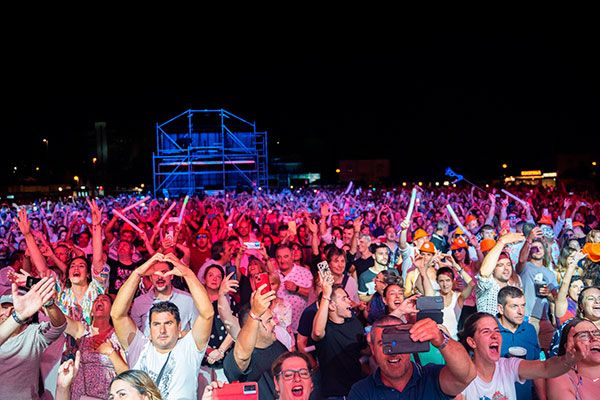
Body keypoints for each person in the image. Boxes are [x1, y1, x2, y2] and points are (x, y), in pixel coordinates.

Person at [111, 252, 214, 399]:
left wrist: (188, 274)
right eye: (156, 324)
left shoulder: (189, 348)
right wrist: (138, 273)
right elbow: (117, 315)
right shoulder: (140, 347)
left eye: (168, 323)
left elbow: (207, 314)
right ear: (149, 327)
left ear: (179, 327)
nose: (162, 330)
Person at [456, 312, 588, 400]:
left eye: (497, 330)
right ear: (472, 342)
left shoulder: (507, 366)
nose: (495, 335)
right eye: (486, 331)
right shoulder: (461, 376)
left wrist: (568, 359)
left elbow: (546, 368)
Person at [348, 313, 477, 399]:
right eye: (384, 344)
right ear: (373, 349)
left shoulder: (432, 377)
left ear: (411, 345)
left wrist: (441, 339)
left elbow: (467, 375)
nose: (393, 352)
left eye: (399, 342)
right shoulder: (361, 391)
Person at [0, 277, 67, 400]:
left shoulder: (33, 334)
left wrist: (49, 303)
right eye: (4, 307)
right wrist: (17, 316)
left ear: (29, 316)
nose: (8, 313)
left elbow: (59, 326)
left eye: (13, 309)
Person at [223, 284, 286, 400]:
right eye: (269, 320)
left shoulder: (278, 346)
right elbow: (242, 355)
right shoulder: (236, 359)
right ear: (254, 326)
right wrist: (255, 314)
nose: (274, 323)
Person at [64, 293, 129, 400]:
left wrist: (110, 352)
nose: (99, 301)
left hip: (105, 396)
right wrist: (49, 304)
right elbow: (62, 321)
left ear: (112, 310)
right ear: (91, 312)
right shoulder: (83, 331)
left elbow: (126, 373)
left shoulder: (117, 336)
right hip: (80, 396)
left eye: (104, 300)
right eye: (96, 300)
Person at [312, 274, 366, 399]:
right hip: (334, 394)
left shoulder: (354, 322)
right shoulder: (325, 327)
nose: (349, 301)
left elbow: (364, 350)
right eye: (344, 298)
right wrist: (326, 295)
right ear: (331, 305)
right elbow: (318, 332)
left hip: (357, 390)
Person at [496, 286, 544, 400]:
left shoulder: (529, 330)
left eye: (523, 305)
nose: (521, 312)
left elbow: (537, 367)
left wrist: (543, 397)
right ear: (501, 309)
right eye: (514, 306)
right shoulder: (490, 331)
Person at [130, 258, 198, 336]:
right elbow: (135, 334)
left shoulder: (188, 300)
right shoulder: (139, 302)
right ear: (151, 278)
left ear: (171, 275)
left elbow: (197, 331)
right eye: (155, 273)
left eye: (164, 272)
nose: (160, 277)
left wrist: (179, 335)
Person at [546, 318, 600, 399]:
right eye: (583, 335)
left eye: (597, 333)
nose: (594, 338)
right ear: (568, 347)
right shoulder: (560, 379)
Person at [476, 232, 524, 315]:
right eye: (500, 265)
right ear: (493, 269)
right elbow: (484, 273)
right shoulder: (488, 285)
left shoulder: (512, 287)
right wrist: (502, 241)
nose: (506, 268)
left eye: (508, 264)